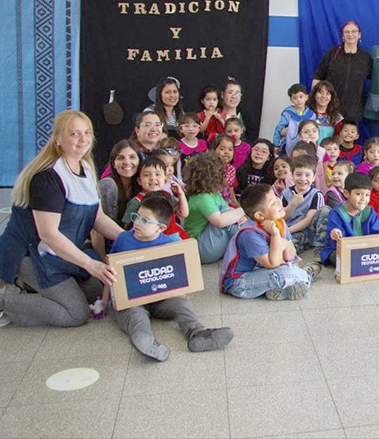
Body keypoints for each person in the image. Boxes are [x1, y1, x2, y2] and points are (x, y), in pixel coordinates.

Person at [0, 110, 121, 327]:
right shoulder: (47, 178)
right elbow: (49, 234)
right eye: (74, 134)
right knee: (75, 313)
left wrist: (129, 238)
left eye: (87, 133)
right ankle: (5, 299)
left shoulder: (85, 167)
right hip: (32, 254)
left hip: (60, 253)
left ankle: (27, 286)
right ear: (58, 139)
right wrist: (91, 264)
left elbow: (97, 217)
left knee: (98, 289)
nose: (83, 139)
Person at [110, 192, 233, 361]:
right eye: (136, 217)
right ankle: (147, 342)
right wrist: (107, 299)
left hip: (161, 296)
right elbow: (112, 271)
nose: (137, 223)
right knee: (135, 316)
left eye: (145, 220)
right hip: (133, 300)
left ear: (160, 228)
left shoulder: (170, 243)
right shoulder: (123, 240)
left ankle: (198, 333)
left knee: (182, 304)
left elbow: (178, 273)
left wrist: (179, 289)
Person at [220, 184, 322, 301]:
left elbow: (290, 255)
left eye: (276, 197)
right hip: (239, 282)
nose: (279, 202)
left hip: (261, 271)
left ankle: (279, 289)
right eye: (273, 203)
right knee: (286, 272)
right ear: (259, 215)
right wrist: (275, 236)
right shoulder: (250, 234)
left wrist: (282, 241)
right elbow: (273, 263)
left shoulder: (278, 221)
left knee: (289, 267)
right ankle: (306, 276)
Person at [182, 151, 248, 264]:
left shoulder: (214, 193)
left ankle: (250, 241)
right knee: (227, 213)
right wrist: (242, 210)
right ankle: (251, 244)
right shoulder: (202, 197)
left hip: (211, 245)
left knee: (230, 214)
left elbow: (231, 215)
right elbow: (220, 221)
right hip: (199, 248)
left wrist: (242, 217)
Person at [323, 172, 379, 267]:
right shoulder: (336, 213)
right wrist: (336, 232)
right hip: (344, 249)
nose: (364, 199)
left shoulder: (369, 212)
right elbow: (335, 233)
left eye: (367, 195)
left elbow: (378, 233)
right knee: (339, 258)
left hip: (365, 249)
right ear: (346, 193)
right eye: (358, 194)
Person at [313, 21, 373, 124]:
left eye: (354, 31)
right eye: (347, 32)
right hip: (330, 109)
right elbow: (318, 77)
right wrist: (317, 103)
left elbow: (374, 79)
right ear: (342, 36)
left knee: (348, 139)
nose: (350, 34)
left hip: (353, 111)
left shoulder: (366, 57)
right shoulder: (332, 54)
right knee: (329, 139)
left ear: (359, 34)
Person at [282, 155, 330, 253]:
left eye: (307, 175)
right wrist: (293, 203)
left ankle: (319, 247)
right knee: (284, 249)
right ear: (292, 175)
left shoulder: (316, 194)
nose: (303, 179)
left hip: (308, 231)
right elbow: (283, 217)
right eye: (298, 174)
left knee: (326, 210)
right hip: (291, 231)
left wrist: (287, 231)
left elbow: (309, 219)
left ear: (314, 177)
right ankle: (300, 247)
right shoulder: (286, 193)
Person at [97, 139, 142, 225]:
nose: (127, 162)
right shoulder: (107, 185)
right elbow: (98, 225)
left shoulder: (141, 184)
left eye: (132, 157)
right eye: (121, 158)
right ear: (113, 164)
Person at [273, 83, 314, 157]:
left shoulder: (311, 114)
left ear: (306, 97)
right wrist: (276, 144)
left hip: (306, 145)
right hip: (288, 144)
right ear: (291, 100)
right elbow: (279, 129)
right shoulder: (288, 113)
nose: (298, 100)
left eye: (301, 97)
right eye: (295, 98)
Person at [221, 76, 258, 142]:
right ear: (222, 94)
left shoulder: (246, 118)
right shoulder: (215, 115)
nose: (234, 96)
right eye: (230, 92)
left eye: (237, 93)